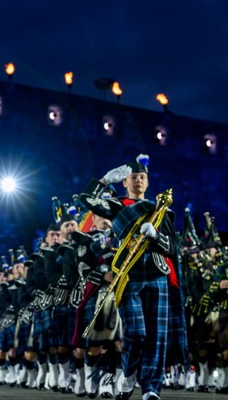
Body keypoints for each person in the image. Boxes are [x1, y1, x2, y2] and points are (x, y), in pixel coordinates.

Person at [81, 155, 187, 400]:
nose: (138, 181)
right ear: (125, 182)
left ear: (147, 183)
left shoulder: (160, 211)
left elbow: (171, 248)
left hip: (157, 274)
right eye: (133, 178)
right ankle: (128, 374)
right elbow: (87, 200)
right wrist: (105, 180)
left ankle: (151, 387)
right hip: (129, 276)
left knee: (157, 336)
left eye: (142, 178)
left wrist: (155, 237)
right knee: (136, 332)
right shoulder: (116, 206)